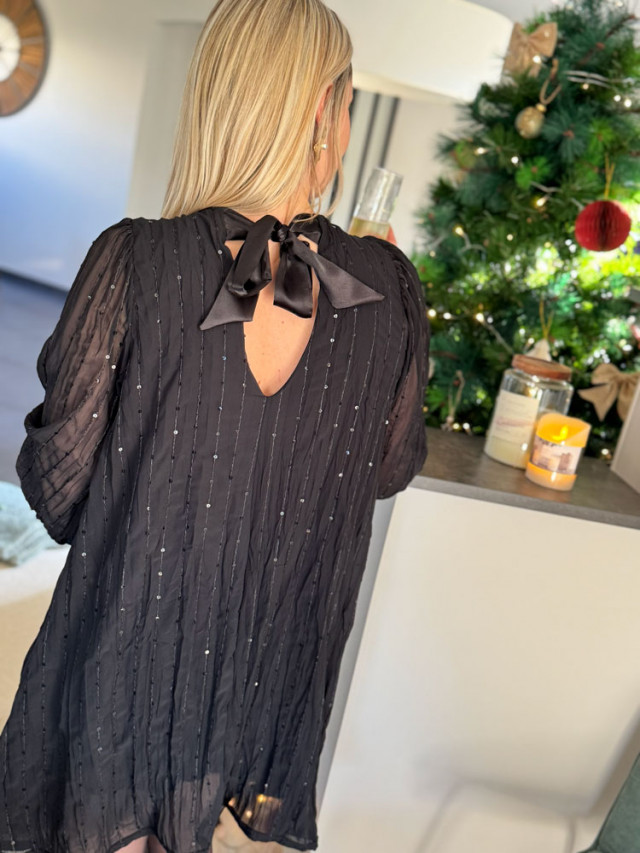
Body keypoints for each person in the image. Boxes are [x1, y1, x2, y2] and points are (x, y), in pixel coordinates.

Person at [0, 0, 431, 851]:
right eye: (348, 106)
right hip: (259, 686)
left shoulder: (135, 258)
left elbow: (54, 492)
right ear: (322, 112)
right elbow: (389, 468)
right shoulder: (387, 286)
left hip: (121, 674)